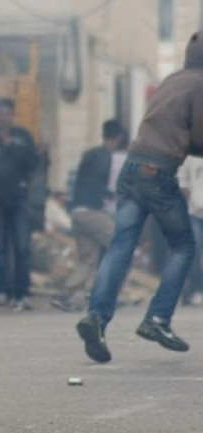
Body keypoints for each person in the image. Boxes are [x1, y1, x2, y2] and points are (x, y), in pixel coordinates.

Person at [76, 31, 203, 363]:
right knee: (184, 245)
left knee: (121, 245)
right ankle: (158, 319)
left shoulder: (172, 80)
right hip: (158, 172)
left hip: (130, 169)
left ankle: (96, 318)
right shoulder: (200, 84)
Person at [51, 120, 124, 312]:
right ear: (118, 137)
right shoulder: (105, 156)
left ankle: (66, 296)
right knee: (121, 244)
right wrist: (108, 194)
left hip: (77, 212)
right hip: (91, 212)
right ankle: (105, 292)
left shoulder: (90, 154)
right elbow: (96, 182)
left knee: (87, 260)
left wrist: (106, 194)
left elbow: (84, 180)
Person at [0, 97, 38, 311]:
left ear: (13, 115)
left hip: (19, 198)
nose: (4, 117)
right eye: (0, 113)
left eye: (7, 114)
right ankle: (3, 291)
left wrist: (12, 148)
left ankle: (23, 292)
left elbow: (33, 163)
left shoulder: (22, 137)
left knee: (21, 247)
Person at [177, 157, 203, 306]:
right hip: (194, 211)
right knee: (193, 252)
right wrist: (187, 191)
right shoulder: (191, 155)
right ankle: (192, 290)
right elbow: (182, 177)